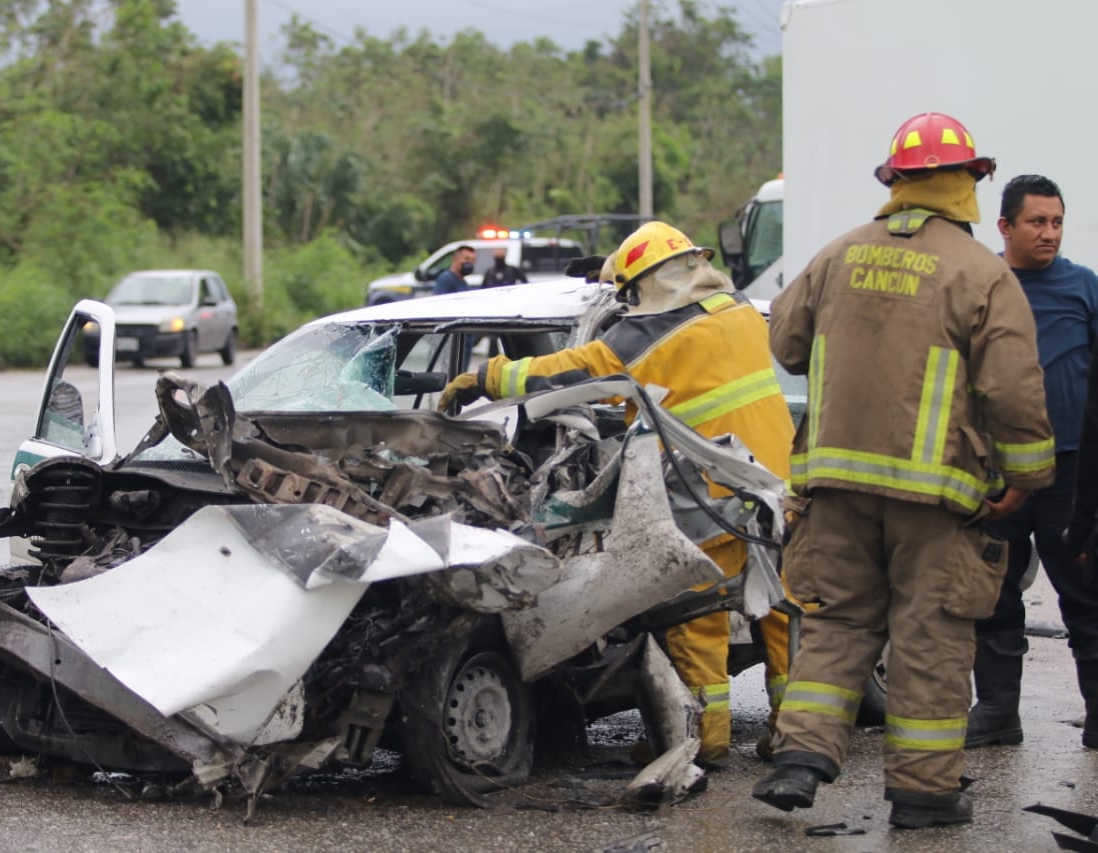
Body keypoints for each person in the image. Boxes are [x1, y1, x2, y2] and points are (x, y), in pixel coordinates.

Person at [751, 112, 1055, 830]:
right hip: (937, 497)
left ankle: (799, 760)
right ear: (969, 183)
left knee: (838, 622)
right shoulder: (982, 273)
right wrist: (1028, 475)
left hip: (835, 488)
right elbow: (1014, 389)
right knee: (931, 634)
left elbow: (786, 343)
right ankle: (922, 793)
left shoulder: (836, 255)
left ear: (896, 184)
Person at [439, 221, 797, 768]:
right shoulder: (740, 310)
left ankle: (708, 738)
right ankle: (795, 733)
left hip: (707, 493)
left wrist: (485, 377)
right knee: (779, 605)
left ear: (647, 285)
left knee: (693, 611)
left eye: (630, 293)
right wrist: (614, 275)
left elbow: (564, 372)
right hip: (771, 487)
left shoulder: (644, 337)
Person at [966, 175, 1098, 752]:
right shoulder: (981, 287)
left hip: (1069, 473)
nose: (1050, 233)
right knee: (993, 597)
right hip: (997, 473)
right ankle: (997, 713)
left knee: (1086, 596)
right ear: (1005, 227)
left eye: (1057, 222)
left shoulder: (1084, 289)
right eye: (1037, 222)